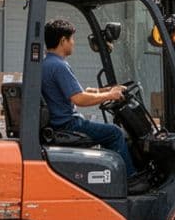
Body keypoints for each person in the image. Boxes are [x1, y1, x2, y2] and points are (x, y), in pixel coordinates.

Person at [40, 18, 141, 185]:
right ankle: (129, 180)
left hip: (58, 122)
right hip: (68, 124)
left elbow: (80, 92)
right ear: (63, 41)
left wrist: (106, 90)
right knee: (114, 133)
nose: (73, 43)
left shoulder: (46, 64)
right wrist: (110, 96)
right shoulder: (59, 66)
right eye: (71, 39)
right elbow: (79, 99)